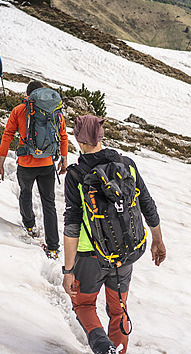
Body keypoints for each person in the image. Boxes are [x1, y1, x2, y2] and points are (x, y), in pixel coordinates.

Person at [62, 115, 166, 354]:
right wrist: (157, 240)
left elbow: (72, 226)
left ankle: (102, 347)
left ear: (78, 139)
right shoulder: (126, 164)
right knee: (118, 310)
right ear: (100, 136)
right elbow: (147, 203)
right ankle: (118, 350)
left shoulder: (76, 175)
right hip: (125, 251)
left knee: (84, 305)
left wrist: (68, 270)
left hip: (90, 256)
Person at [0, 81, 69, 259]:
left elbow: (7, 136)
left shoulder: (19, 110)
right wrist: (64, 160)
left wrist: (0, 164)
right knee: (49, 203)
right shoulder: (54, 112)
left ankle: (29, 225)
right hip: (47, 164)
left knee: (26, 193)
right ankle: (52, 246)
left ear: (28, 95)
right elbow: (64, 137)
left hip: (26, 163)